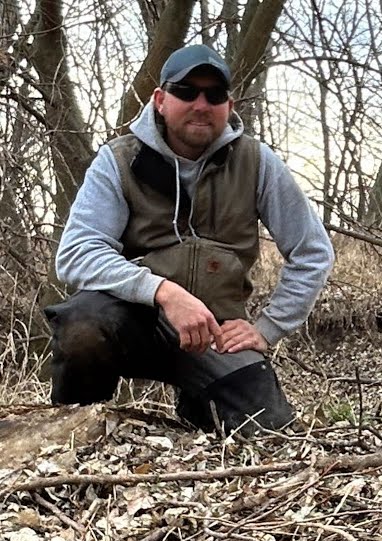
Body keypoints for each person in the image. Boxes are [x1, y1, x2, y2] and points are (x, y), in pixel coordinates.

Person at [45, 44, 334, 436]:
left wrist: (267, 328)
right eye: (186, 91)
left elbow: (313, 251)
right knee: (82, 327)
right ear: (160, 100)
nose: (201, 104)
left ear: (229, 106)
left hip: (216, 333)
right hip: (133, 320)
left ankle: (198, 405)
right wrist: (164, 292)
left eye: (214, 95)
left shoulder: (257, 162)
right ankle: (74, 431)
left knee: (270, 432)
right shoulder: (118, 160)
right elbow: (77, 253)